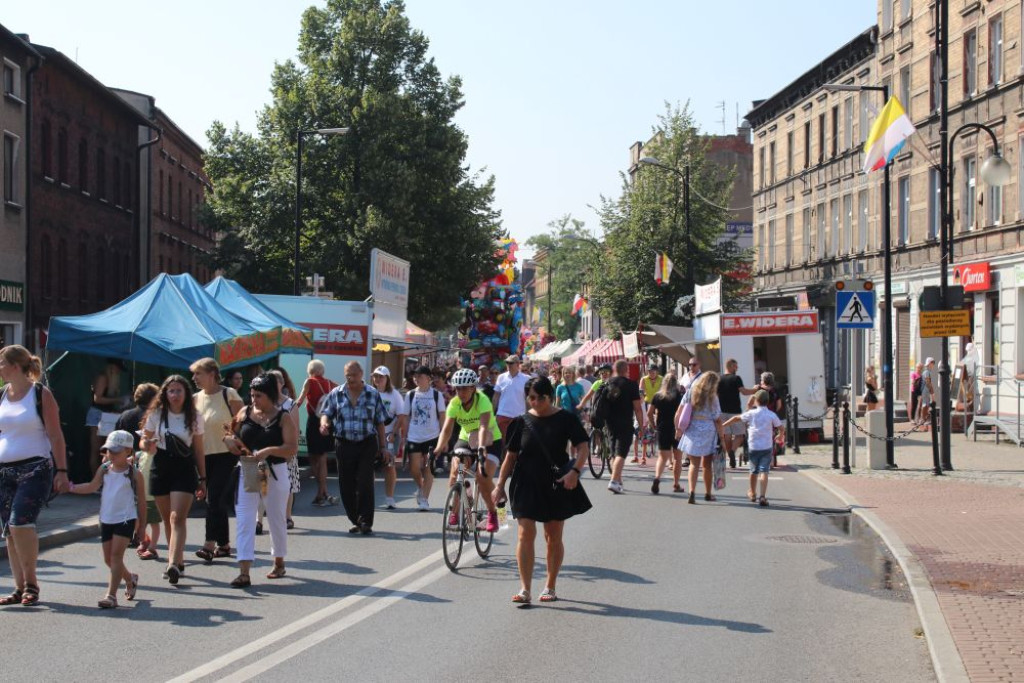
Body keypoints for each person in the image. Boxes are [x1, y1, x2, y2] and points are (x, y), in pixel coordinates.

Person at [493, 376, 591, 604]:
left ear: (549, 396)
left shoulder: (566, 419)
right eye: (531, 398)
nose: (535, 402)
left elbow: (583, 447)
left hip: (556, 483)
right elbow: (510, 456)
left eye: (540, 398)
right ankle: (525, 589)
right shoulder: (521, 422)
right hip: (525, 483)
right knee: (524, 533)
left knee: (552, 536)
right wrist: (499, 486)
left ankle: (550, 585)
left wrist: (574, 472)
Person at [0, 345, 70, 607]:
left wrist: (61, 471)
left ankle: (31, 583)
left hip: (35, 468)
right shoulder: (1, 396)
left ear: (15, 366)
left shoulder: (40, 394)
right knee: (8, 530)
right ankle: (18, 588)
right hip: (4, 471)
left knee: (21, 524)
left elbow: (55, 435)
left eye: (1, 363)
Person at [222, 373, 298, 587]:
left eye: (259, 396)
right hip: (249, 470)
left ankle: (279, 562)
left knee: (276, 518)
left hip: (275, 471)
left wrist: (269, 450)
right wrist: (229, 441)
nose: (254, 400)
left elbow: (291, 449)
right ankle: (244, 571)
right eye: (252, 395)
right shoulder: (245, 412)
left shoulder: (283, 417)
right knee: (245, 519)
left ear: (272, 396)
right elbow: (229, 431)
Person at [140, 375, 207, 585]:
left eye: (179, 390)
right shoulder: (157, 414)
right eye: (171, 391)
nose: (175, 395)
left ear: (186, 393)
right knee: (167, 517)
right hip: (160, 464)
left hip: (183, 466)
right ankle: (177, 560)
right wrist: (147, 445)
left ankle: (172, 564)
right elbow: (143, 440)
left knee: (177, 518)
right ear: (165, 394)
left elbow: (198, 449)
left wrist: (203, 478)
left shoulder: (194, 416)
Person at [67, 430, 145, 608]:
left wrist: (141, 526)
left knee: (116, 556)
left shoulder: (134, 474)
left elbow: (141, 501)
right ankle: (130, 579)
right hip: (107, 518)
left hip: (126, 518)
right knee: (108, 559)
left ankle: (111, 596)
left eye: (116, 451)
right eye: (109, 450)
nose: (112, 454)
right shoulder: (104, 470)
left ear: (128, 451)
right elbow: (91, 486)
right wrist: (70, 487)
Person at [319, 361, 388, 535]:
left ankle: (366, 521)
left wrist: (384, 447)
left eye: (354, 375)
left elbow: (380, 421)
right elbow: (326, 413)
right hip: (344, 443)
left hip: (367, 443)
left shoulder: (372, 394)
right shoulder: (337, 393)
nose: (350, 378)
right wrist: (324, 424)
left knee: (365, 482)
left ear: (361, 374)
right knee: (346, 484)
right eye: (347, 375)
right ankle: (355, 518)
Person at [434, 368, 502, 532]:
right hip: (466, 437)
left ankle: (494, 514)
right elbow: (447, 429)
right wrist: (437, 449)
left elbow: (484, 426)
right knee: (455, 472)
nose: (461, 392)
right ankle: (456, 509)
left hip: (489, 438)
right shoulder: (455, 403)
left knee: (482, 476)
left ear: (473, 388)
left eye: (465, 388)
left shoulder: (483, 400)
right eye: (458, 388)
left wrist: (481, 447)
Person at [191, 358, 244, 563]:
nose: (194, 378)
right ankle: (224, 545)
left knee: (213, 497)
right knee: (216, 500)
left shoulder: (228, 394)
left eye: (198, 373)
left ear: (212, 374)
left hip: (226, 454)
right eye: (194, 374)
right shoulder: (195, 398)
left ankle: (208, 544)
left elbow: (244, 420)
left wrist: (234, 437)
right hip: (204, 455)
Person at [115, 382, 161, 561]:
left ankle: (135, 535)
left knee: (130, 501)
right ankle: (143, 536)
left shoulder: (125, 415)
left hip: (128, 461)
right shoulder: (155, 416)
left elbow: (115, 438)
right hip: (147, 464)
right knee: (145, 503)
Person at [397, 365, 447, 511]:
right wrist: (403, 436)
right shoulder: (411, 395)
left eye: (420, 376)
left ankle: (424, 499)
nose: (416, 379)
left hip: (432, 435)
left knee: (429, 467)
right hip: (414, 435)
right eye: (415, 377)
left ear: (428, 378)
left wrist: (443, 436)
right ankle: (421, 486)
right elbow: (406, 417)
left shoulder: (437, 395)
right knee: (414, 468)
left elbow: (443, 416)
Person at [723, 390, 784, 507]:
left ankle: (752, 492)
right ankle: (762, 496)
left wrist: (723, 425)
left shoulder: (751, 413)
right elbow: (781, 427)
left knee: (753, 470)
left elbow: (736, 418)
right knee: (764, 471)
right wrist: (780, 435)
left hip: (754, 446)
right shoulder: (771, 415)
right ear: (768, 402)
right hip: (766, 446)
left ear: (756, 401)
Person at [675, 372, 726, 504]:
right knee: (707, 465)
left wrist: (678, 429)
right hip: (708, 430)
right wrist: (722, 437)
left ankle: (692, 492)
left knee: (693, 464)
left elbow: (679, 412)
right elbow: (717, 419)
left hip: (692, 429)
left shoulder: (690, 392)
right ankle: (708, 493)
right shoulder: (713, 397)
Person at [295, 359, 338, 506]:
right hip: (327, 421)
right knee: (322, 457)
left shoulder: (309, 382)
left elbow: (300, 401)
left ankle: (322, 492)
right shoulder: (331, 383)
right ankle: (323, 492)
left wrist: (287, 409)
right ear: (322, 371)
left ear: (310, 370)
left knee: (314, 456)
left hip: (314, 422)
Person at [603, 359, 644, 494]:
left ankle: (618, 481)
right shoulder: (631, 385)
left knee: (614, 452)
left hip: (609, 422)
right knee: (621, 453)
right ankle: (614, 481)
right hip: (625, 422)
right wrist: (641, 426)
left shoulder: (608, 382)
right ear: (626, 370)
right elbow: (637, 408)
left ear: (614, 369)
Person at [267, 369, 300, 530]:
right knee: (264, 484)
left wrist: (291, 450)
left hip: (286, 447)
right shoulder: (264, 401)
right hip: (267, 448)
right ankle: (262, 518)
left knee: (288, 484)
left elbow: (295, 428)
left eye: (275, 383)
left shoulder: (290, 404)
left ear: (281, 384)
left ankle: (287, 517)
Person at [371, 366, 407, 510]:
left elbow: (401, 415)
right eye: (375, 376)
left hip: (389, 435)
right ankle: (369, 498)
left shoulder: (394, 395)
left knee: (389, 466)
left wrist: (394, 432)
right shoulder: (370, 392)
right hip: (372, 435)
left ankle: (390, 498)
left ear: (387, 378)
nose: (378, 379)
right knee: (369, 466)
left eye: (381, 377)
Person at [86, 358, 127, 473]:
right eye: (118, 369)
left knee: (106, 448)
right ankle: (96, 480)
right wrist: (118, 400)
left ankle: (104, 479)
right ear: (112, 368)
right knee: (97, 449)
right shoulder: (103, 377)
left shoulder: (111, 380)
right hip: (98, 415)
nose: (119, 373)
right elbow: (97, 398)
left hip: (106, 415)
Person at [647, 372, 684, 494]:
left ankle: (657, 478)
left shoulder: (658, 396)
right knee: (678, 458)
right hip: (677, 428)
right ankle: (676, 484)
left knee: (662, 457)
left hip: (662, 428)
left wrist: (654, 425)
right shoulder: (679, 396)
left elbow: (649, 413)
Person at [718, 359, 757, 468]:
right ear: (730, 366)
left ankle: (729, 454)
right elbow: (744, 392)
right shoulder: (736, 378)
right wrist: (754, 390)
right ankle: (732, 451)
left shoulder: (719, 379)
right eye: (735, 366)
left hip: (721, 411)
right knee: (740, 435)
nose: (737, 368)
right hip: (735, 411)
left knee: (726, 435)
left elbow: (715, 395)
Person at [493, 355, 529, 441]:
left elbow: (528, 399)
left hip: (519, 416)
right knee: (502, 443)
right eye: (507, 363)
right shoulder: (501, 377)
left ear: (517, 364)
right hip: (502, 415)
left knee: (517, 443)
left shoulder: (526, 379)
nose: (508, 365)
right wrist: (492, 413)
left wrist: (530, 415)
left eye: (511, 363)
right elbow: (496, 396)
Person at [919, 357, 935, 428]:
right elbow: (928, 382)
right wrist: (932, 392)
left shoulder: (927, 372)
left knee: (926, 404)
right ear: (929, 364)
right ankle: (923, 419)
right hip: (925, 391)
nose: (933, 365)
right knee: (925, 404)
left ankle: (924, 419)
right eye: (932, 363)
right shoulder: (926, 372)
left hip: (926, 391)